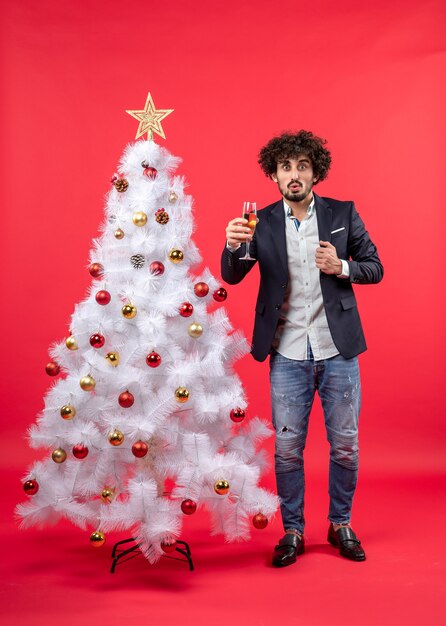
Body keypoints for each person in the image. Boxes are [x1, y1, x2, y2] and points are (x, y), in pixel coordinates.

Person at [221, 130, 383, 567]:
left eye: (302, 166)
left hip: (338, 351)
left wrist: (342, 266)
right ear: (273, 174)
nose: (295, 175)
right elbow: (232, 276)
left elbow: (375, 267)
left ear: (316, 172)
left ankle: (340, 523)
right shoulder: (261, 221)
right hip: (287, 352)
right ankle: (293, 530)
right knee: (288, 448)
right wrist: (235, 244)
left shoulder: (343, 214)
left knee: (345, 444)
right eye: (286, 167)